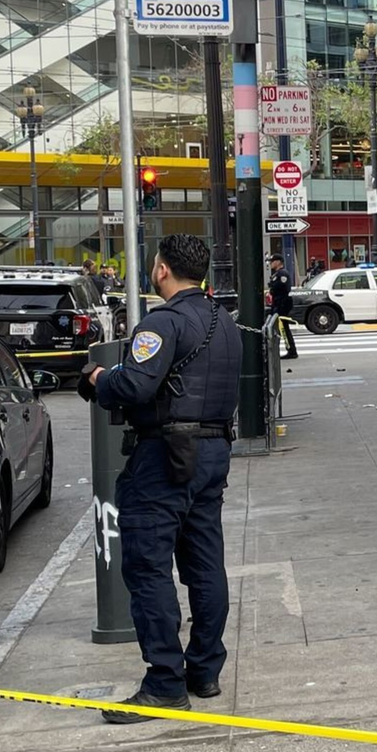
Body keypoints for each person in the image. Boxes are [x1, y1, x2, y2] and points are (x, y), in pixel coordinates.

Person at [80, 234, 240, 722]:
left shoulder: (162, 323)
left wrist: (98, 380)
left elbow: (134, 384)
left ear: (162, 270)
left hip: (165, 456)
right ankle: (204, 669)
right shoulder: (226, 322)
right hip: (213, 452)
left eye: (154, 264)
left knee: (148, 569)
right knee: (205, 563)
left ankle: (165, 683)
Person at [268, 255, 299, 359]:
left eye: (273, 261)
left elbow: (278, 287)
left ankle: (291, 350)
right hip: (278, 302)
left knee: (283, 328)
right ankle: (290, 349)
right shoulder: (277, 274)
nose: (271, 263)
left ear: (278, 262)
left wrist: (272, 288)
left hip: (282, 303)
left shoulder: (282, 274)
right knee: (281, 328)